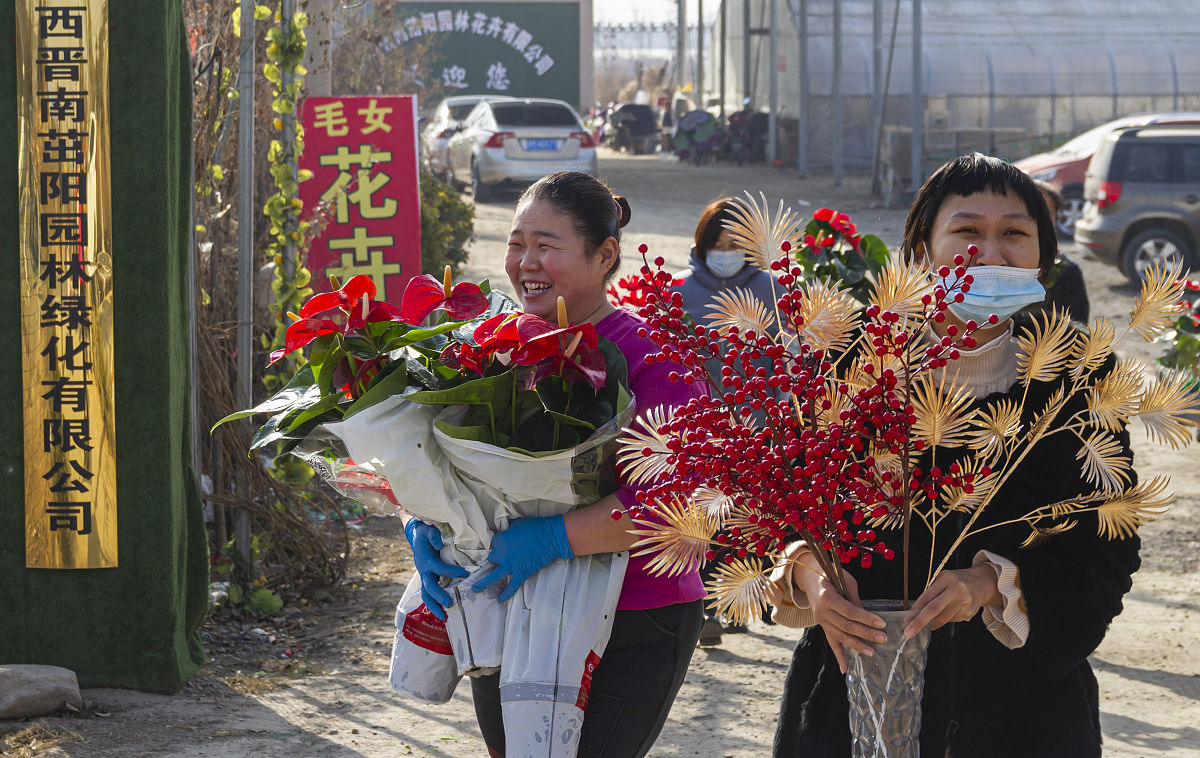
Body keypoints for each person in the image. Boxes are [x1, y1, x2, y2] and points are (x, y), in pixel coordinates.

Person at [770, 153, 1140, 757]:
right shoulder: (852, 359)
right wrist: (811, 581)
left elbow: (1110, 541)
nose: (990, 253)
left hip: (1022, 714)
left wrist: (994, 585)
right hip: (855, 695)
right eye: (967, 231)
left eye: (1015, 234)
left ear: (1042, 261)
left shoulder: (1080, 374)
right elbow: (780, 502)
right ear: (921, 250)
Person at [405, 171, 707, 758]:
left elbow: (675, 507)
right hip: (512, 602)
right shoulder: (490, 349)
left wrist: (552, 538)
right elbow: (448, 464)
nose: (525, 262)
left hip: (635, 619)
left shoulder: (655, 359)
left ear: (606, 255)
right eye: (517, 243)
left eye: (547, 245)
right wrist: (428, 521)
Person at [672, 197, 784, 646]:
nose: (725, 251)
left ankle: (737, 604)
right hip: (700, 429)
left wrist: (780, 415)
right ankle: (706, 609)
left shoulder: (771, 289)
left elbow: (786, 358)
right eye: (717, 243)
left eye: (734, 243)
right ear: (701, 245)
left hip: (757, 428)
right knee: (702, 518)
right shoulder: (681, 292)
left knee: (746, 520)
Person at [1032, 179, 1091, 322]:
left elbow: (1079, 333)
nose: (1037, 223)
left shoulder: (1068, 273)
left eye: (1045, 215)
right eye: (1032, 213)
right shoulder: (998, 267)